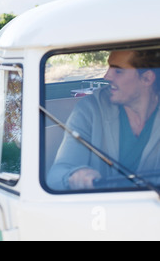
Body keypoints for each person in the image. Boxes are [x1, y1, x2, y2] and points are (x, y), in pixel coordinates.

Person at [48, 49, 160, 191]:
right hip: (101, 210)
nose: (106, 76)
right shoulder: (91, 109)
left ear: (147, 79)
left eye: (118, 71)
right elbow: (57, 175)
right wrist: (74, 176)